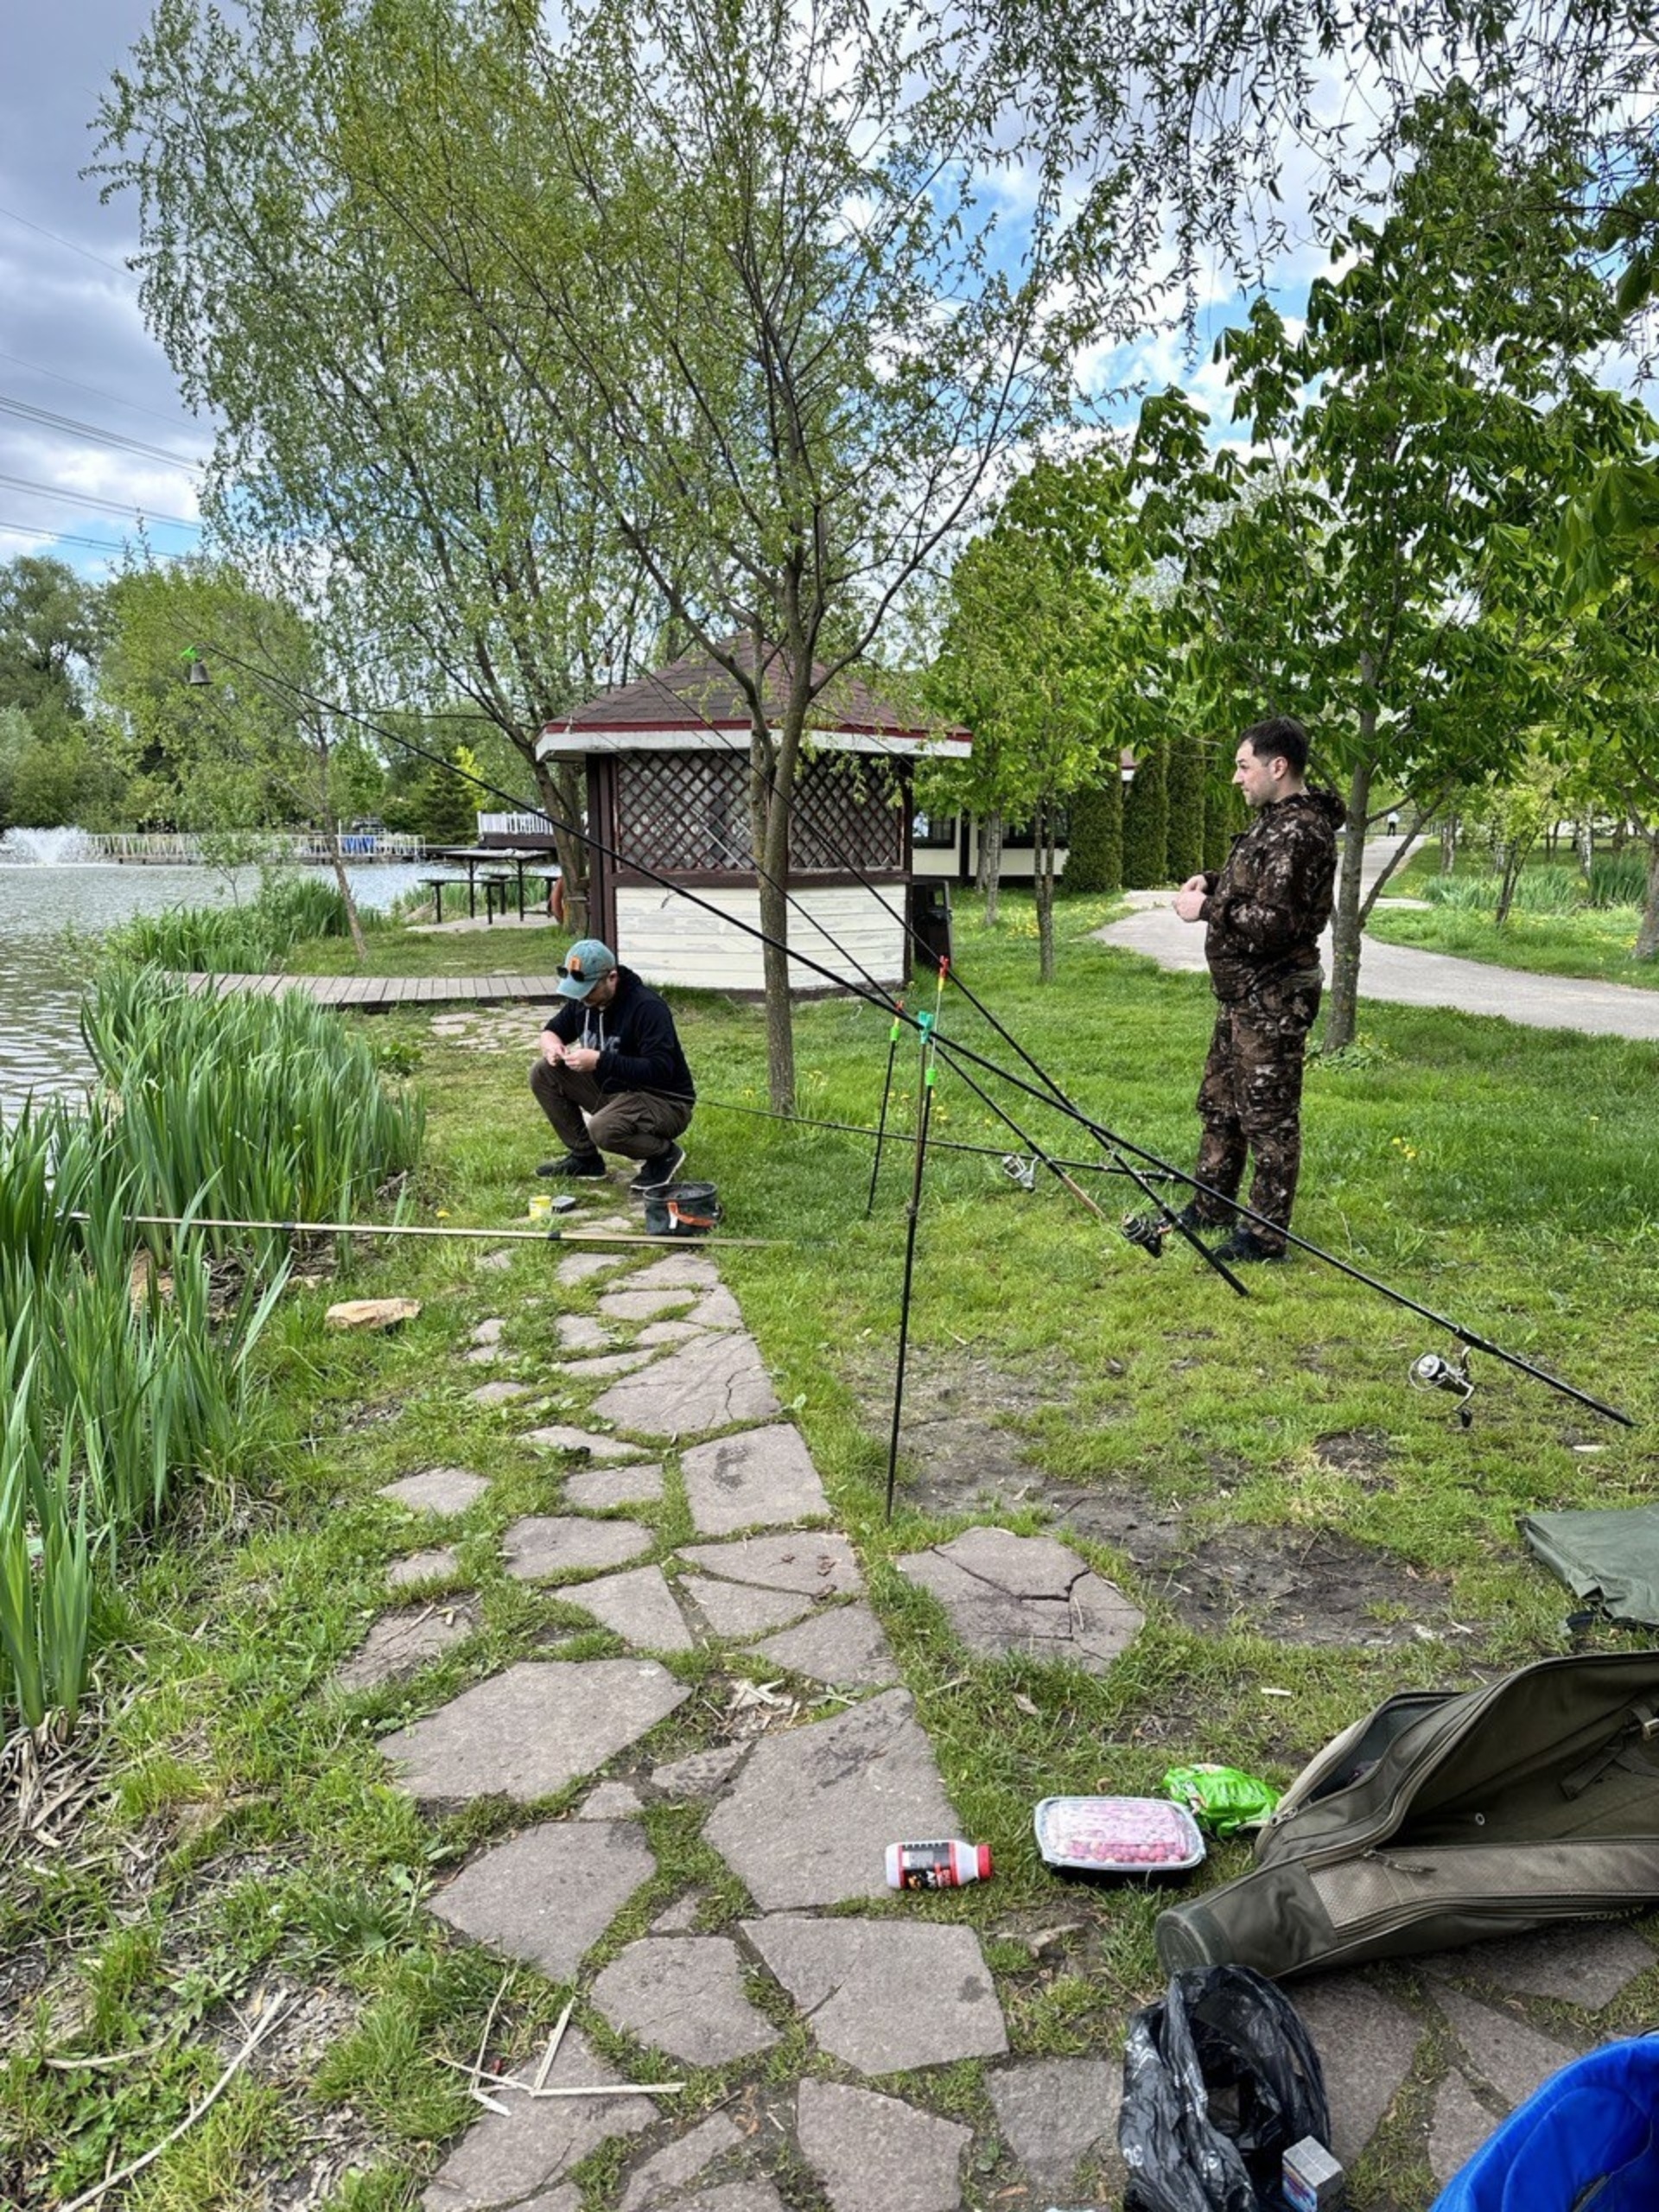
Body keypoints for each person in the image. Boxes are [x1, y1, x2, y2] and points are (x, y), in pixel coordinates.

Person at [1151, 716, 1343, 1262]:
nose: (1237, 778)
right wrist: (1213, 879)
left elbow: (1276, 922)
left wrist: (1206, 909)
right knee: (1221, 1105)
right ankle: (1212, 1205)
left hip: (1273, 996)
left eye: (1243, 766)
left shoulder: (1302, 830)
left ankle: (1264, 1238)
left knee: (1268, 1118)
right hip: (1241, 996)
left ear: (1277, 767)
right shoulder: (1273, 822)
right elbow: (1258, 879)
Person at [531, 938, 696, 1195]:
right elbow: (551, 1031)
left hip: (664, 1101)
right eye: (578, 991)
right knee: (543, 1071)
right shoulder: (583, 1001)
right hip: (614, 1092)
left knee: (602, 1129)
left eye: (588, 990)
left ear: (612, 977)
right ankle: (585, 1160)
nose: (583, 998)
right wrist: (552, 1047)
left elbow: (661, 1069)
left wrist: (600, 1060)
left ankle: (664, 1155)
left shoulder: (647, 1007)